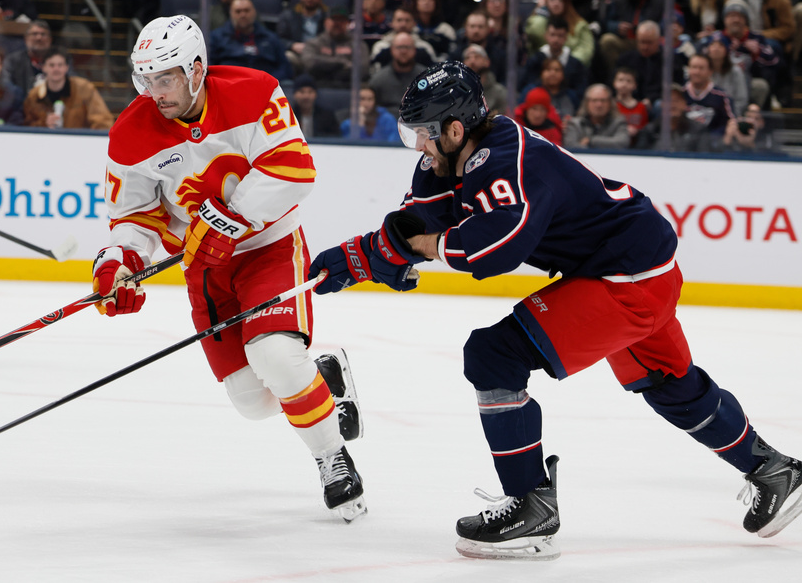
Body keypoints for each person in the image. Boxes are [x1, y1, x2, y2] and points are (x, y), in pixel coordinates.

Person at [306, 59, 802, 561]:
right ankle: (773, 470)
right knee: (668, 383)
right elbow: (417, 221)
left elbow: (497, 249)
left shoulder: (505, 160)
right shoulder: (451, 157)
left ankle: (530, 504)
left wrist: (430, 246)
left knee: (493, 355)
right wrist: (357, 258)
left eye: (423, 135)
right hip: (632, 264)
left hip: (626, 278)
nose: (418, 147)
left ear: (455, 128)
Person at [98, 14, 366, 522]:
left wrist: (225, 222)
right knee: (250, 400)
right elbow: (135, 216)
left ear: (196, 69)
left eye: (166, 78)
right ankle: (326, 379)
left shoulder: (254, 91)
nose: (156, 92)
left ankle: (332, 456)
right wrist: (120, 262)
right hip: (204, 270)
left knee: (277, 357)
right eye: (147, 80)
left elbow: (293, 167)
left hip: (268, 248)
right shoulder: (130, 133)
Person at [22, 47, 112, 130]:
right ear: (43, 67)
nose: (56, 69)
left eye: (60, 65)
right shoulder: (34, 96)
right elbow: (26, 126)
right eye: (51, 65)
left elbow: (102, 120)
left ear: (66, 67)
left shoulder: (84, 88)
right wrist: (44, 124)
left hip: (78, 142)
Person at [209, 0, 293, 80]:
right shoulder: (217, 37)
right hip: (230, 85)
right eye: (238, 11)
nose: (243, 15)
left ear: (254, 12)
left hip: (264, 86)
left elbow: (284, 67)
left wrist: (269, 80)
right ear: (231, 14)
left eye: (246, 10)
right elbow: (210, 66)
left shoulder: (270, 38)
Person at [368, 30, 425, 111]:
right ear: (391, 50)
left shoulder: (426, 77)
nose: (403, 51)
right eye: (399, 47)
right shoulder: (378, 80)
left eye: (407, 47)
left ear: (415, 50)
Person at [563, 83, 631, 149]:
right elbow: (570, 146)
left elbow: (622, 143)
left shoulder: (619, 122)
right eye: (594, 100)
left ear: (610, 103)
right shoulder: (575, 123)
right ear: (586, 103)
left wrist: (591, 141)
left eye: (603, 100)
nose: (599, 105)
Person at [3, 19, 51, 94]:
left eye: (43, 34)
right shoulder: (13, 61)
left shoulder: (60, 61)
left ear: (50, 39)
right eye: (34, 34)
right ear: (26, 39)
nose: (39, 38)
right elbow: (5, 85)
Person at [288, 72, 339, 138]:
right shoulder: (287, 117)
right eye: (302, 92)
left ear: (316, 94)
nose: (306, 96)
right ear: (294, 94)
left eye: (310, 92)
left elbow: (335, 138)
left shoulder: (327, 117)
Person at [612, 66, 649, 146]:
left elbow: (645, 128)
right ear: (614, 83)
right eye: (620, 80)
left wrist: (638, 131)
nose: (624, 84)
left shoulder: (641, 106)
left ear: (635, 85)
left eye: (629, 81)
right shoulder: (611, 105)